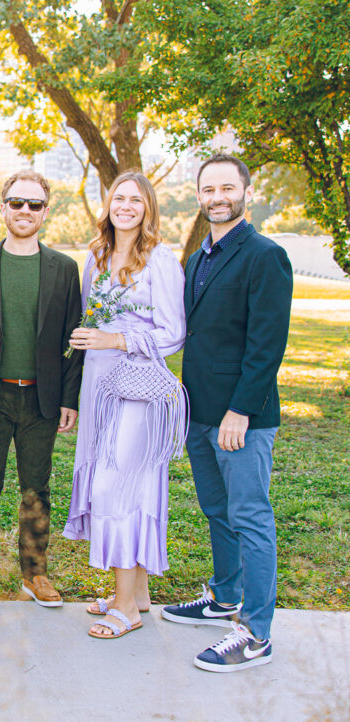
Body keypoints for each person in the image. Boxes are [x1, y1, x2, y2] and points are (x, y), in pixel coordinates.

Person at [161, 154, 293, 672]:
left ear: (246, 192)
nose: (218, 197)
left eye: (227, 188)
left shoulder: (266, 256)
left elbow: (267, 344)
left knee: (250, 516)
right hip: (199, 411)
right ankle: (224, 596)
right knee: (217, 511)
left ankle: (256, 633)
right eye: (209, 189)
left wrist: (240, 410)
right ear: (199, 196)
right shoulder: (198, 258)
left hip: (242, 418)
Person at [62, 171, 186, 639]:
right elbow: (87, 319)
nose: (126, 206)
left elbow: (173, 333)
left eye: (136, 200)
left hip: (137, 389)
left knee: (121, 487)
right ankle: (135, 595)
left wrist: (116, 339)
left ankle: (127, 610)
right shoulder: (96, 255)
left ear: (148, 208)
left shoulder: (160, 259)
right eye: (119, 198)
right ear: (108, 204)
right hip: (99, 384)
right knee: (110, 481)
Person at [0, 170, 82, 614]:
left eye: (34, 204)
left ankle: (35, 573)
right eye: (16, 203)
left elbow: (74, 339)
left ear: (45, 212)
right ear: (3, 208)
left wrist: (69, 398)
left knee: (37, 489)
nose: (24, 210)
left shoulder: (64, 269)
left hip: (41, 398)